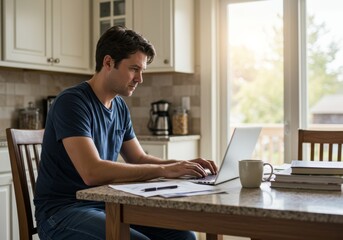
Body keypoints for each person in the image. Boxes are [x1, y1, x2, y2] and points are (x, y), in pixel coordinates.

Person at [34, 25, 217, 240]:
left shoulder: (119, 106)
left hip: (107, 205)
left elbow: (138, 158)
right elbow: (91, 171)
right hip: (61, 213)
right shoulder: (72, 102)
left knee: (184, 236)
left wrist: (182, 166)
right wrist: (163, 171)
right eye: (134, 69)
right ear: (108, 62)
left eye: (142, 71)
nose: (140, 78)